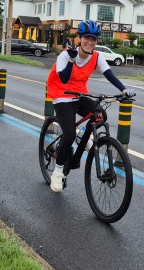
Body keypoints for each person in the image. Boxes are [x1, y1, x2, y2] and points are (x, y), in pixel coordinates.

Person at [45, 20, 135, 193]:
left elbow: (109, 74)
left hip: (80, 94)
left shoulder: (97, 56)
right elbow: (63, 79)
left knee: (100, 114)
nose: (90, 42)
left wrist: (123, 89)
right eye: (87, 37)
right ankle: (57, 172)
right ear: (80, 38)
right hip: (62, 96)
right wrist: (71, 60)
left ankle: (84, 138)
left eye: (94, 39)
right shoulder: (66, 55)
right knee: (69, 134)